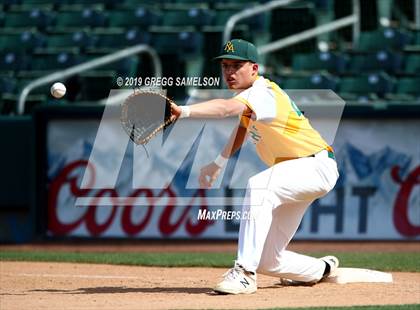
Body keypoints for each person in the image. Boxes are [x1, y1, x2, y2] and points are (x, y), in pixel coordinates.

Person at [171, 39, 340, 295]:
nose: (229, 72)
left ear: (254, 68)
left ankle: (244, 273)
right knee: (268, 259)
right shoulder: (252, 98)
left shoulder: (263, 92)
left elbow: (226, 109)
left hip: (314, 165)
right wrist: (218, 163)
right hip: (297, 172)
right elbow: (242, 126)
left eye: (237, 65)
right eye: (225, 66)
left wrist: (182, 111)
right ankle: (321, 269)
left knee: (259, 185)